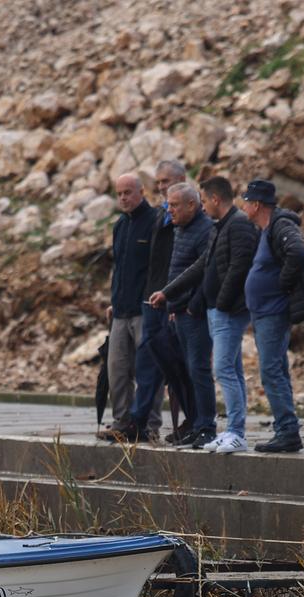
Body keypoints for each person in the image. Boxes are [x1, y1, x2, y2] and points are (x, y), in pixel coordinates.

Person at [152, 175, 257, 453]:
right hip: (205, 309)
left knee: (217, 368)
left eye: (174, 204)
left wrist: (213, 303)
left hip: (219, 311)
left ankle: (224, 429)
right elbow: (201, 267)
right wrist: (169, 294)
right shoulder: (217, 228)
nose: (169, 210)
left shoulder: (233, 226)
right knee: (221, 368)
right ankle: (218, 428)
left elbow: (236, 269)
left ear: (212, 200)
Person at [240, 179, 304, 453]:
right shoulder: (265, 230)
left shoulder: (281, 226)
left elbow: (298, 252)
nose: (243, 205)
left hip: (273, 312)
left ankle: (287, 431)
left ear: (256, 205)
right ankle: (286, 429)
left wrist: (281, 285)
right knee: (277, 370)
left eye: (246, 201)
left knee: (271, 372)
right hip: (263, 313)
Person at [128, 160, 192, 443]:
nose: (162, 187)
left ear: (181, 180)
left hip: (176, 303)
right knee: (147, 365)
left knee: (181, 369)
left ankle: (191, 422)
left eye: (166, 181)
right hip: (153, 300)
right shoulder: (159, 217)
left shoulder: (190, 219)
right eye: (160, 183)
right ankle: (138, 421)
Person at [153, 181, 216, 447]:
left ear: (193, 204)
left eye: (175, 205)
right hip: (177, 311)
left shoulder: (205, 230)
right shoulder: (180, 228)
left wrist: (192, 305)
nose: (170, 211)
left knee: (198, 369)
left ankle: (206, 426)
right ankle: (194, 422)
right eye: (168, 205)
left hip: (194, 314)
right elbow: (178, 268)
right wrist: (172, 306)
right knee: (183, 371)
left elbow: (207, 272)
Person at [99, 172, 158, 443]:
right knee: (117, 370)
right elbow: (119, 268)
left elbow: (157, 269)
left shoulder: (155, 221)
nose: (123, 197)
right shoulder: (120, 226)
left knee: (148, 370)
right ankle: (121, 422)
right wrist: (113, 300)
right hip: (121, 311)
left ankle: (149, 424)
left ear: (141, 192)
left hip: (144, 310)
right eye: (119, 193)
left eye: (128, 192)